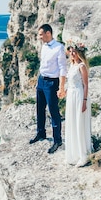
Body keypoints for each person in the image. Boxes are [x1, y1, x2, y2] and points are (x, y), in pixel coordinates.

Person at [29, 24, 67, 154]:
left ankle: (57, 140)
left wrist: (61, 87)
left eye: (40, 34)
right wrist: (38, 80)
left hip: (52, 82)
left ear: (48, 33)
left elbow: (62, 68)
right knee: (40, 108)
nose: (39, 37)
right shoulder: (44, 47)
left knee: (53, 111)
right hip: (42, 80)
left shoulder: (59, 48)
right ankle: (41, 133)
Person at [63, 41, 93, 167]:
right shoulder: (72, 65)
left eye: (74, 52)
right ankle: (73, 154)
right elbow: (70, 81)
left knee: (79, 123)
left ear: (79, 53)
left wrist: (84, 101)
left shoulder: (81, 66)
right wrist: (64, 90)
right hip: (71, 96)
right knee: (72, 123)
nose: (72, 54)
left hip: (79, 95)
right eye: (71, 51)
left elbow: (86, 85)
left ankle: (83, 155)